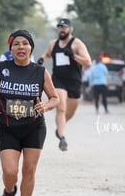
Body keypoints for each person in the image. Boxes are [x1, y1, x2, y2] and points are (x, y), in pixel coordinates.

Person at [0, 30, 59, 196]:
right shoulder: (1, 69)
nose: (21, 47)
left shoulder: (40, 72)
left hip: (34, 126)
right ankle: (9, 192)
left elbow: (55, 98)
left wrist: (46, 105)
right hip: (8, 126)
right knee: (10, 172)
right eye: (16, 44)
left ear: (31, 48)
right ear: (11, 49)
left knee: (29, 170)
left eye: (25, 43)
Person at [37, 18, 91, 151]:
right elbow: (48, 54)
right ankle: (62, 138)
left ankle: (60, 129)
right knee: (61, 108)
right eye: (60, 27)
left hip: (74, 82)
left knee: (70, 112)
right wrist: (42, 59)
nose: (62, 30)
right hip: (58, 80)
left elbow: (88, 62)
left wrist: (73, 56)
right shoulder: (53, 43)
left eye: (65, 27)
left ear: (70, 29)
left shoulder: (76, 44)